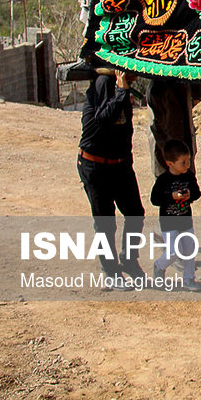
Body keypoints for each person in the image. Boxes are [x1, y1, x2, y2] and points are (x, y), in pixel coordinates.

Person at [77, 69, 145, 289]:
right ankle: (111, 272)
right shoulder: (105, 82)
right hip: (95, 165)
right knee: (105, 222)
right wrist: (121, 91)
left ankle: (129, 261)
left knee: (135, 213)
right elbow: (104, 119)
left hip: (120, 164)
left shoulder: (119, 86)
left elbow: (124, 131)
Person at [150, 139, 201, 292]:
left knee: (189, 250)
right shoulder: (163, 180)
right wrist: (171, 197)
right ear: (170, 164)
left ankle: (188, 278)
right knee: (174, 252)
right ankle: (159, 266)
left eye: (188, 161)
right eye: (183, 162)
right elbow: (155, 199)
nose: (187, 165)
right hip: (169, 223)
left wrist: (189, 196)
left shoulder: (189, 176)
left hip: (185, 220)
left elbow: (197, 193)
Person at [145, 80, 201, 178]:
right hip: (167, 154)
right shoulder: (157, 87)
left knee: (188, 187)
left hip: (185, 147)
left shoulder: (184, 81)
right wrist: (172, 154)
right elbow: (158, 127)